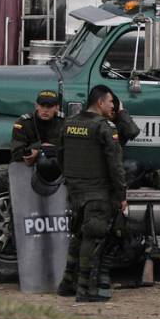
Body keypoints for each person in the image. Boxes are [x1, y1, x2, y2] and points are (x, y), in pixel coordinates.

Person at [56, 85, 127, 302]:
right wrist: (121, 195)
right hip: (98, 192)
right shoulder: (104, 127)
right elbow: (115, 165)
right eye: (111, 102)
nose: (113, 106)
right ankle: (85, 290)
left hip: (75, 190)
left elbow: (60, 155)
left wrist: (71, 180)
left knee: (78, 235)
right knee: (92, 238)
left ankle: (67, 283)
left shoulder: (69, 123)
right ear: (100, 102)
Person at [10, 90, 64, 165]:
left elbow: (70, 149)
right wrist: (40, 147)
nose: (45, 110)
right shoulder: (23, 123)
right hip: (28, 163)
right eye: (42, 106)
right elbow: (16, 153)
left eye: (49, 106)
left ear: (57, 108)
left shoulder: (63, 122)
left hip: (56, 162)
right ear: (36, 106)